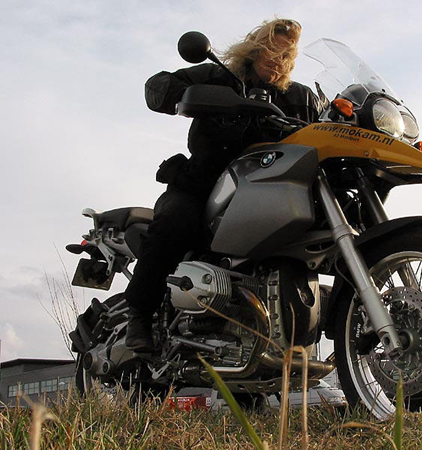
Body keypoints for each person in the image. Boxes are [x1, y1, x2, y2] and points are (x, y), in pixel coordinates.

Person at [125, 19, 323, 351]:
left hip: (269, 192)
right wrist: (189, 95)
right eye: (274, 50)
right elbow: (157, 86)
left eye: (288, 54)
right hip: (203, 187)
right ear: (256, 48)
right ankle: (140, 315)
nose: (280, 60)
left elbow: (328, 123)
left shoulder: (300, 98)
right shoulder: (218, 77)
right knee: (174, 222)